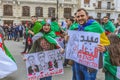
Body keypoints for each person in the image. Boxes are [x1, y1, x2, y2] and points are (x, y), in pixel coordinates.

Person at [72, 8, 110, 80]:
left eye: (82, 16)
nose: (80, 18)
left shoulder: (96, 26)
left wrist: (104, 48)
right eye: (78, 17)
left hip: (90, 63)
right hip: (78, 61)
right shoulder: (77, 27)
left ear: (87, 16)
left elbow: (107, 43)